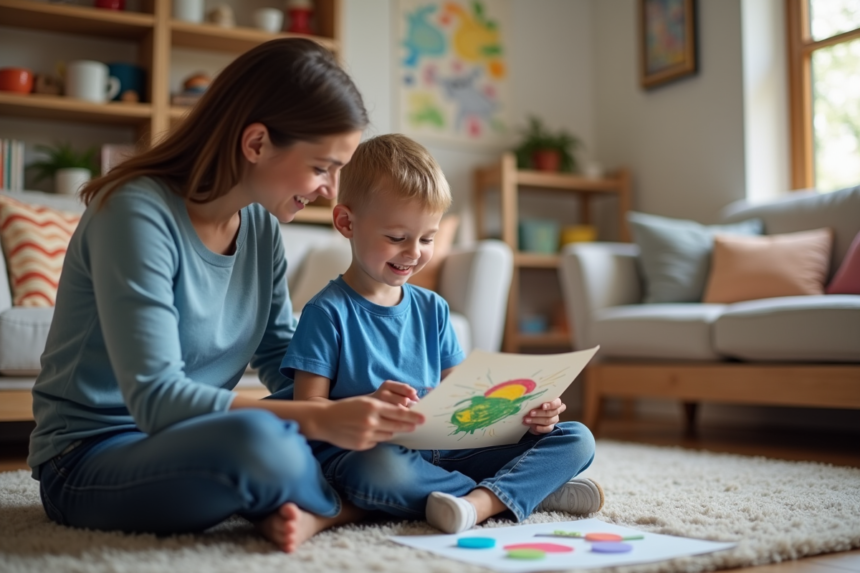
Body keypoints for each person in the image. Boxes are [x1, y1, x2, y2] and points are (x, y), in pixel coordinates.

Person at [27, 39, 424, 553]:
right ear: (256, 143)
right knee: (264, 446)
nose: (330, 190)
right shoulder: (134, 212)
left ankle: (358, 486)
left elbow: (283, 355)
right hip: (92, 454)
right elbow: (156, 399)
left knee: (358, 438)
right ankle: (354, 499)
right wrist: (322, 420)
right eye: (323, 166)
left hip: (200, 439)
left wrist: (360, 402)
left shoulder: (260, 225)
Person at [281, 134, 603, 534]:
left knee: (576, 438)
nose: (414, 252)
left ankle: (480, 501)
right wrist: (368, 404)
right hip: (374, 454)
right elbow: (307, 413)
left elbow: (463, 398)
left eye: (427, 239)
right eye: (397, 238)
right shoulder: (326, 312)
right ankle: (514, 493)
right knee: (374, 472)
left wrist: (528, 414)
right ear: (346, 222)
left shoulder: (432, 308)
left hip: (447, 451)